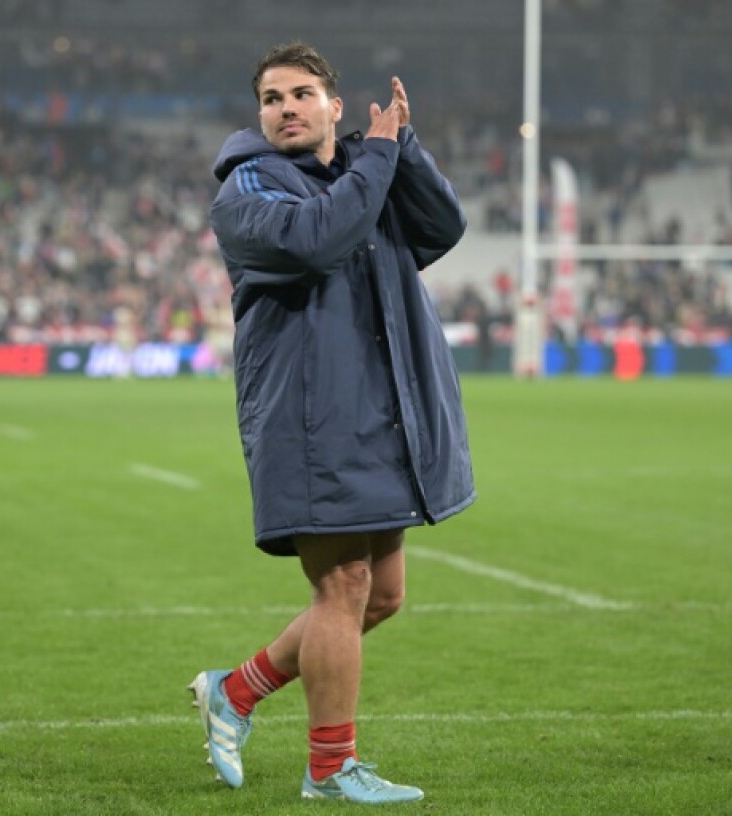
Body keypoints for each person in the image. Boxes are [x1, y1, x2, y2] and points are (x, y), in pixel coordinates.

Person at [190, 42, 474, 804]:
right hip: (311, 415)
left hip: (380, 409)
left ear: (333, 107)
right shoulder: (245, 188)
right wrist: (374, 159)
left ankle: (237, 691)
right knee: (342, 583)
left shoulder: (364, 170)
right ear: (259, 116)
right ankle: (329, 770)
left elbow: (442, 227)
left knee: (380, 596)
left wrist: (400, 146)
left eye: (302, 94)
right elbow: (316, 240)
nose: (287, 108)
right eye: (273, 98)